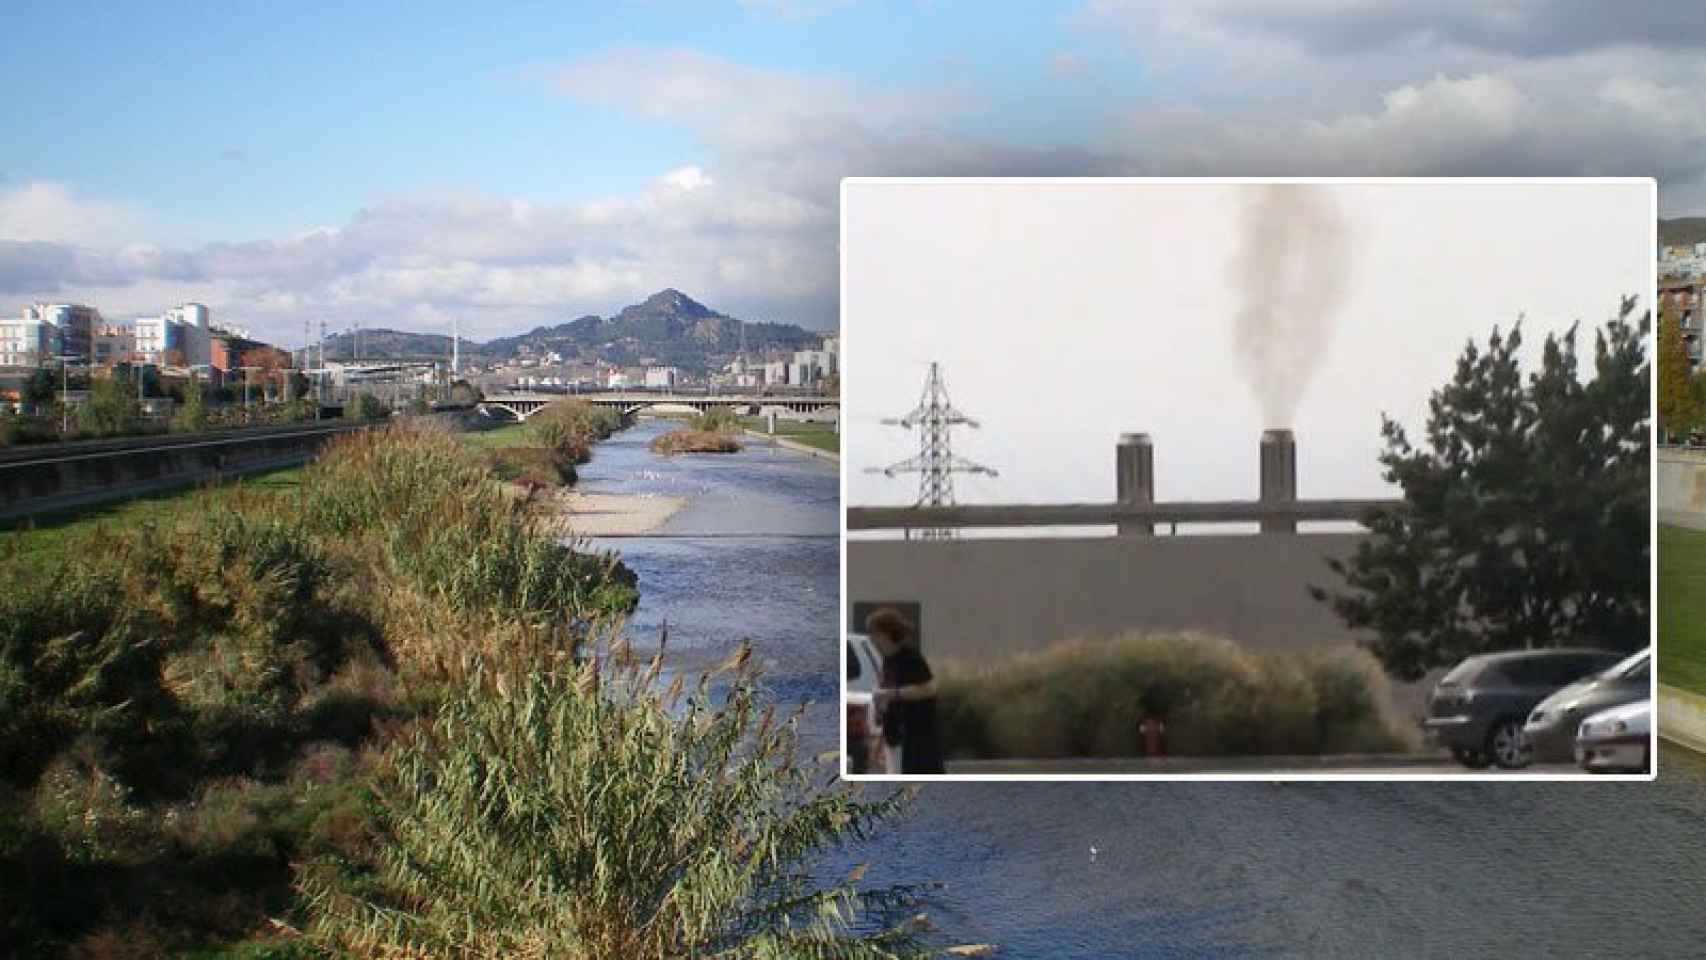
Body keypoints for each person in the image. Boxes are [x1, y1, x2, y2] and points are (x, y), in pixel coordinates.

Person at [866, 607, 944, 775]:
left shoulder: (910, 657)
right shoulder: (888, 660)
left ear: (886, 634)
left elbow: (929, 689)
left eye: (874, 633)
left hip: (918, 739)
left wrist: (890, 694)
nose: (871, 639)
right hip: (895, 738)